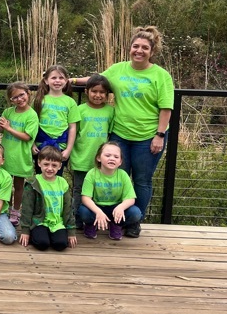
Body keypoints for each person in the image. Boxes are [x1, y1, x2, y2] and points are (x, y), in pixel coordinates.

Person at [73, 26, 174, 238]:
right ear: (130, 48)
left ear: (152, 51)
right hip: (119, 136)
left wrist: (160, 135)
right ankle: (112, 221)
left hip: (147, 137)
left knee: (142, 181)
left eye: (145, 48)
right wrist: (69, 81)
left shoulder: (161, 76)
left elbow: (166, 108)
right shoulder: (118, 69)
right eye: (135, 46)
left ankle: (133, 222)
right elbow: (95, 81)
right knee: (118, 178)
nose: (139, 50)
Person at [69, 74, 114, 229]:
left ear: (107, 94)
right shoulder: (79, 110)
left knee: (97, 190)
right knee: (79, 189)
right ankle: (77, 218)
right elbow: (74, 133)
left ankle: (95, 220)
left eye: (102, 92)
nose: (98, 95)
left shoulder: (110, 111)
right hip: (82, 157)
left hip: (102, 160)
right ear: (87, 91)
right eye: (94, 91)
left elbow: (111, 134)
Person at [0, 81, 39, 226]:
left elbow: (27, 136)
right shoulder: (8, 112)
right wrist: (0, 127)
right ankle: (5, 208)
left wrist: (8, 128)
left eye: (22, 95)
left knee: (19, 186)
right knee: (6, 184)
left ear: (28, 93)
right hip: (6, 155)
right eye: (15, 97)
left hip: (20, 156)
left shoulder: (32, 115)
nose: (19, 99)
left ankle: (16, 211)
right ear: (11, 100)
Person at [79, 142, 142, 240]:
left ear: (120, 161)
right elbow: (85, 198)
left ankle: (116, 225)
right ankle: (91, 225)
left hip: (116, 208)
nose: (112, 158)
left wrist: (121, 207)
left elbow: (131, 199)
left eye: (116, 157)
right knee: (83, 212)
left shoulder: (123, 175)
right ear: (98, 158)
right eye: (108, 155)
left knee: (136, 213)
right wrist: (98, 212)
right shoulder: (92, 174)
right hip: (97, 207)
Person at [19, 146, 77, 251]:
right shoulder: (34, 182)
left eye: (54, 165)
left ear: (60, 166)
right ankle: (38, 234)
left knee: (61, 244)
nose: (50, 168)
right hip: (39, 221)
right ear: (39, 163)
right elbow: (27, 208)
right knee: (42, 244)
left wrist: (71, 231)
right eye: (46, 164)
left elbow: (68, 208)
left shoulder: (62, 183)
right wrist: (25, 231)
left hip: (57, 222)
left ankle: (52, 235)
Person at [32, 64, 79, 176]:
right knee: (41, 176)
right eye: (53, 78)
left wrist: (68, 149)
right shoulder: (39, 100)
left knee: (57, 176)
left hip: (61, 146)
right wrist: (32, 144)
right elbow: (32, 124)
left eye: (61, 78)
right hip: (41, 145)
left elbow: (72, 127)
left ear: (66, 81)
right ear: (46, 81)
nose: (57, 81)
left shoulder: (70, 102)